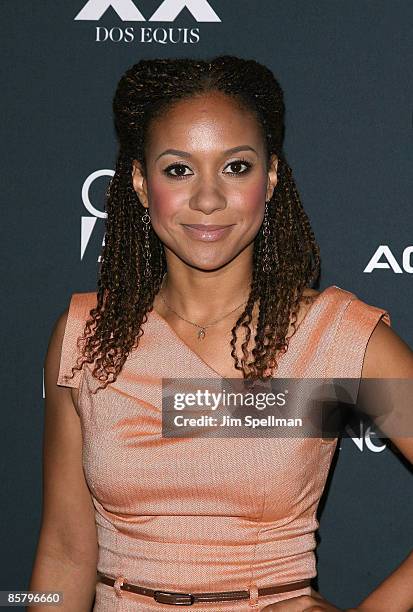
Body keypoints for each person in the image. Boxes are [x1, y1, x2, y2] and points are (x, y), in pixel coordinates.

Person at [29, 56, 413, 611]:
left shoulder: (333, 343)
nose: (208, 199)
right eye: (178, 169)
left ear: (271, 177)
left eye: (236, 167)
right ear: (140, 182)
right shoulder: (89, 336)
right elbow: (65, 553)